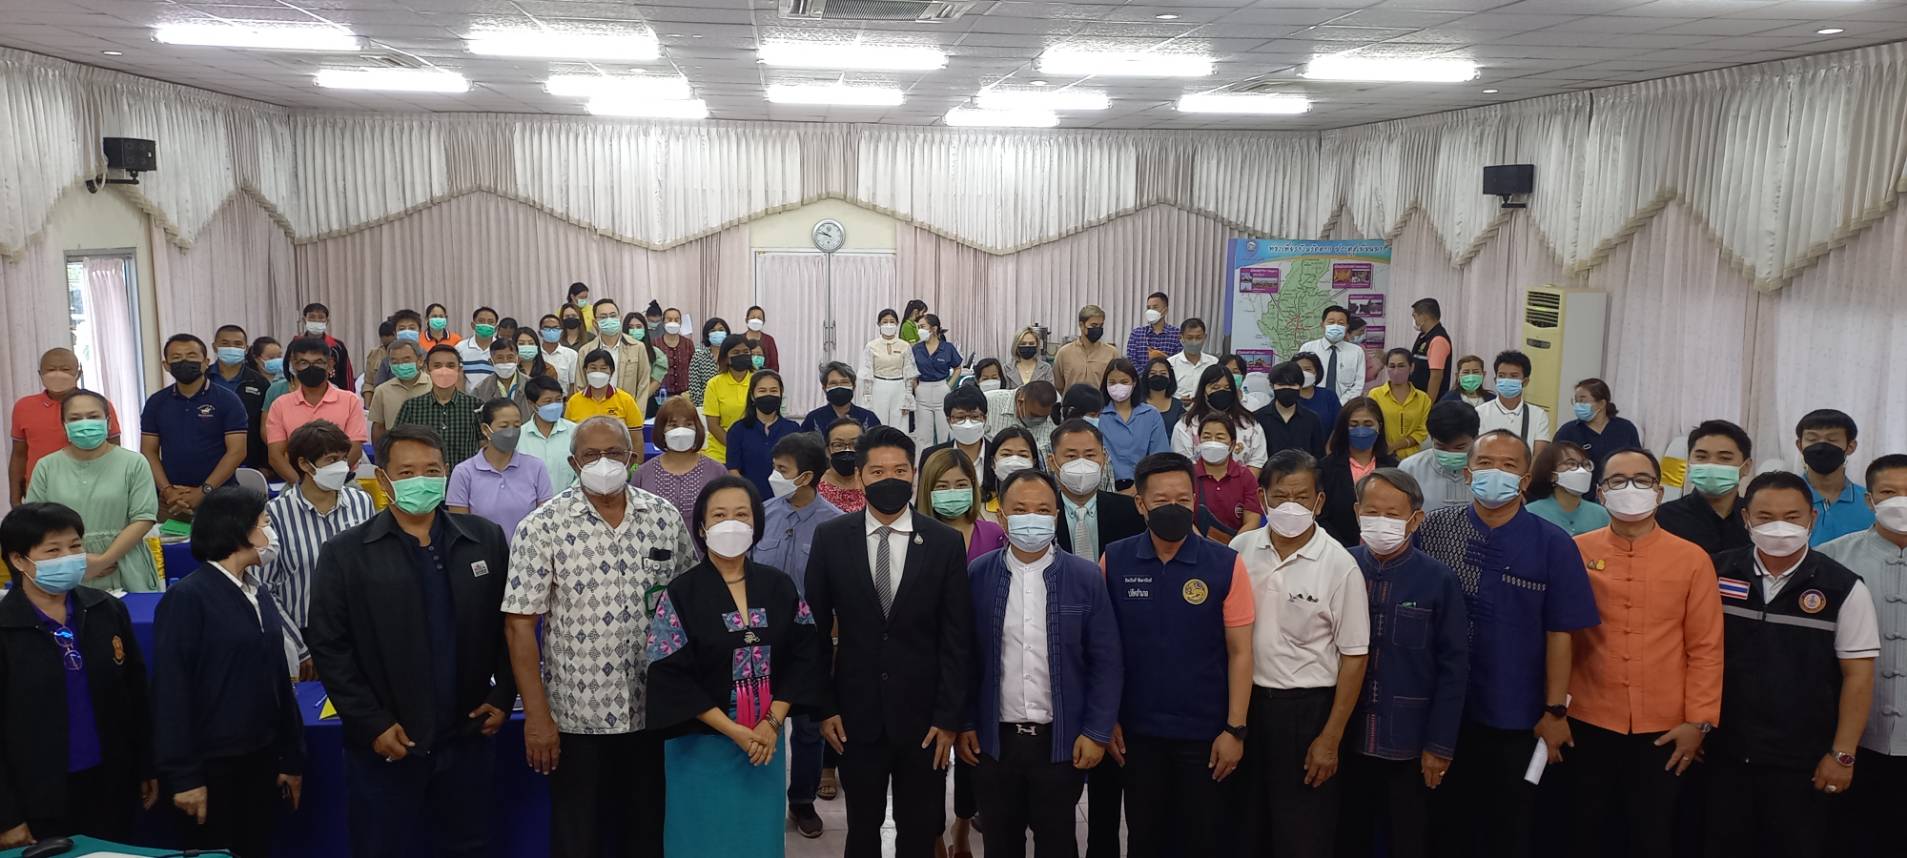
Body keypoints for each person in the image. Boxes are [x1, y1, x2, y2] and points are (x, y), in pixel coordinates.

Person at [308, 424, 516, 858]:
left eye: (432, 470)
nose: (421, 480)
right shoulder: (346, 553)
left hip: (468, 738)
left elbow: (509, 626)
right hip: (389, 743)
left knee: (471, 847)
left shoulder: (484, 539)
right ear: (384, 480)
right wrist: (371, 723)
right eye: (406, 472)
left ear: (447, 472)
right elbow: (330, 646)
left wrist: (503, 695)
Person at [504, 417, 695, 858]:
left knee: (646, 834)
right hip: (576, 717)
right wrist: (537, 717)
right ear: (574, 463)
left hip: (653, 711)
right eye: (591, 455)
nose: (603, 462)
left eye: (614, 453)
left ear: (633, 458)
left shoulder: (663, 517)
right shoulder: (542, 525)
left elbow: (690, 603)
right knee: (579, 838)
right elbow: (519, 625)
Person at [1412, 430, 1600, 858]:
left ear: (1526, 479)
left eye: (1509, 465)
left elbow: (1561, 632)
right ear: (1468, 472)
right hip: (1439, 711)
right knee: (1441, 825)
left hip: (1515, 713)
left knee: (1508, 828)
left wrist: (1555, 710)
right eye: (1485, 463)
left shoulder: (1553, 544)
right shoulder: (1435, 529)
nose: (1495, 472)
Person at [804, 425, 974, 858]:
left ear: (914, 475)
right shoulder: (831, 538)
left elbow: (957, 637)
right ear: (860, 477)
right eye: (878, 472)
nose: (890, 479)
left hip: (925, 721)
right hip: (854, 716)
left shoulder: (944, 542)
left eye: (900, 470)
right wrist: (826, 707)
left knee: (920, 830)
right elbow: (815, 632)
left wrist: (949, 716)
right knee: (862, 829)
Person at [641, 476, 821, 857]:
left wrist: (771, 723)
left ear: (756, 523)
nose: (731, 524)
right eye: (719, 515)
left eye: (741, 515)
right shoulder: (681, 593)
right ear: (702, 527)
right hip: (701, 747)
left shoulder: (780, 586)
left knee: (758, 840)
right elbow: (669, 672)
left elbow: (805, 654)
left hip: (765, 745)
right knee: (702, 841)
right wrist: (734, 731)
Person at [1707, 471, 1878, 858]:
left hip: (1803, 761)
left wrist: (1842, 754)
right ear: (1746, 518)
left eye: (1792, 516)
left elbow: (1858, 676)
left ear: (1811, 519)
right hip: (1722, 752)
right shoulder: (1715, 572)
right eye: (1765, 517)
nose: (1779, 527)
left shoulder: (1843, 587)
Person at [957, 468, 1123, 858]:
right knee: (1000, 843)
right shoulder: (978, 575)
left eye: (1043, 510)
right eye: (1020, 509)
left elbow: (1106, 661)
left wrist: (1097, 731)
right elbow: (964, 658)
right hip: (995, 742)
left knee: (1058, 842)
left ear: (1056, 516)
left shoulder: (1085, 577)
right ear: (1001, 516)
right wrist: (965, 722)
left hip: (1060, 742)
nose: (1031, 518)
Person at [1567, 448, 1724, 858]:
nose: (1630, 489)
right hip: (1587, 718)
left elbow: (1706, 647)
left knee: (1652, 833)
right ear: (1601, 492)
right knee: (1584, 830)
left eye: (1642, 480)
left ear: (1659, 491)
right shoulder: (1575, 550)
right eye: (1617, 480)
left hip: (1665, 728)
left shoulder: (1692, 559)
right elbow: (1557, 637)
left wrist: (1699, 722)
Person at [1101, 452, 1254, 858]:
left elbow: (1241, 652)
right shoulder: (1114, 560)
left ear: (1195, 501)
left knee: (1203, 839)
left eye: (1183, 500)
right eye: (1161, 500)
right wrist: (1107, 718)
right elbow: (1103, 649)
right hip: (1137, 734)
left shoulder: (1226, 564)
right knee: (1145, 837)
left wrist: (1235, 729)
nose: (1174, 508)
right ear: (1140, 504)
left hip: (1206, 734)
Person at [1229, 449, 1371, 858]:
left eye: (1302, 497)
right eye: (1280, 496)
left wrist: (1331, 737)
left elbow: (1355, 656)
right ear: (1262, 498)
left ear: (1319, 501)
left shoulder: (1339, 564)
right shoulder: (1240, 549)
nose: (1290, 506)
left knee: (1303, 833)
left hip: (1307, 713)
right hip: (1247, 708)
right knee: (1246, 827)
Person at [152, 487, 304, 856]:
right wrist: (185, 777)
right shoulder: (188, 598)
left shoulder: (257, 591)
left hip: (261, 757)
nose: (271, 533)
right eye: (264, 523)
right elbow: (172, 691)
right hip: (212, 767)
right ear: (237, 530)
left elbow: (277, 679)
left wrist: (291, 756)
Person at [0, 502, 156, 846]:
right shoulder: (6, 628)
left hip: (110, 783)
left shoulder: (106, 609)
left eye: (75, 546)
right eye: (53, 550)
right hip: (38, 797)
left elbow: (135, 694)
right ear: (19, 560)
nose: (69, 558)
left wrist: (146, 765)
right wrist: (6, 815)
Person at [1338, 469, 1467, 858]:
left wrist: (1439, 745)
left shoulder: (1439, 579)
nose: (1381, 522)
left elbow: (1454, 668)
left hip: (1408, 742)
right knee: (1347, 836)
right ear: (1357, 512)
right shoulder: (1340, 566)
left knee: (1407, 838)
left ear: (1415, 519)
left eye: (1393, 515)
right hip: (1345, 738)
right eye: (1372, 512)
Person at [1818, 454, 1907, 858]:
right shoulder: (1831, 559)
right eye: (1889, 492)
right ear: (1870, 501)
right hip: (1853, 739)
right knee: (1851, 838)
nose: (1900, 501)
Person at [756, 432, 843, 839]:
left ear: (806, 476)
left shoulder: (835, 525)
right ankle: (761, 799)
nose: (774, 476)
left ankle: (803, 800)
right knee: (760, 720)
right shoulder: (762, 514)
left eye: (782, 470)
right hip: (761, 641)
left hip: (810, 644)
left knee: (808, 728)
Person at [916, 446, 1000, 857]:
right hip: (928, 663)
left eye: (961, 484)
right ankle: (932, 834)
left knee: (972, 755)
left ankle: (962, 826)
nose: (953, 493)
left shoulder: (993, 534)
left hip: (983, 662)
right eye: (943, 486)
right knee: (928, 757)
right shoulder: (915, 535)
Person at [262, 420, 375, 679]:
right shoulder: (276, 513)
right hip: (305, 633)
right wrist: (298, 648)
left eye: (343, 458)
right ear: (304, 464)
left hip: (357, 628)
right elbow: (265, 588)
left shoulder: (361, 502)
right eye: (331, 460)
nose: (341, 467)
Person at [25, 391, 160, 592]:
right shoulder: (46, 466)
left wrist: (103, 560)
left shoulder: (134, 463)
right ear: (64, 425)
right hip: (65, 565)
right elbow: (34, 521)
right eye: (75, 418)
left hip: (125, 563)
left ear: (108, 421)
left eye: (93, 416)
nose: (85, 424)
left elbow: (143, 518)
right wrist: (75, 561)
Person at [142, 334, 249, 519]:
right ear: (166, 365)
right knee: (168, 539)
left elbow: (237, 452)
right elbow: (148, 451)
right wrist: (167, 491)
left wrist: (204, 491)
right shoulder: (156, 402)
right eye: (176, 357)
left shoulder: (228, 400)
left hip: (221, 498)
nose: (184, 362)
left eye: (191, 356)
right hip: (172, 501)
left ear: (206, 362)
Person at [9, 348, 121, 505]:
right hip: (40, 494)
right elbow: (19, 455)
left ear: (78, 373)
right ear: (40, 374)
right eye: (51, 369)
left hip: (93, 492)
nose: (57, 374)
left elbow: (114, 451)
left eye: (65, 369)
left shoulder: (98, 405)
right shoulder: (24, 406)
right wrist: (15, 500)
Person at [264, 337, 367, 485]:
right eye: (304, 363)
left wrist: (333, 480)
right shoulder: (280, 405)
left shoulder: (350, 401)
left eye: (318, 362)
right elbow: (275, 456)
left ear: (330, 364)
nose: (311, 368)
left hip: (342, 482)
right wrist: (303, 485)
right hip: (298, 483)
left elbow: (355, 449)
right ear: (294, 365)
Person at [448, 399, 553, 542]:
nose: (511, 432)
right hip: (483, 552)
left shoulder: (536, 467)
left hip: (528, 551)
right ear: (485, 429)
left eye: (516, 426)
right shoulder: (464, 473)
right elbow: (460, 526)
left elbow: (545, 519)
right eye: (504, 426)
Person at [1656, 420, 1755, 557]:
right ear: (1689, 463)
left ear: (1746, 466)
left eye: (1725, 458)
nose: (1711, 464)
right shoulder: (1662, 518)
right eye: (1701, 457)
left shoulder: (1756, 519)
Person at [1050, 420, 1147, 560]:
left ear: (1104, 458)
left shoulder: (1132, 511)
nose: (1082, 463)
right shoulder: (1043, 514)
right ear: (1052, 462)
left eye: (1090, 455)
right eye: (1071, 456)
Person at [634, 396, 730, 528]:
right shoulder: (643, 474)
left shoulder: (717, 472)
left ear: (697, 428)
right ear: (661, 430)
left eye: (688, 424)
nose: (681, 431)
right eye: (673, 425)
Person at [1316, 397, 1396, 548]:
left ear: (1379, 427)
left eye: (1368, 424)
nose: (1361, 430)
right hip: (1338, 550)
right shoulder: (1325, 468)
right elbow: (1321, 517)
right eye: (1353, 425)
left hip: (1384, 549)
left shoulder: (1394, 467)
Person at [394, 345, 484, 469]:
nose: (444, 371)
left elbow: (485, 443)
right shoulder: (411, 407)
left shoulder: (475, 405)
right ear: (427, 369)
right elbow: (397, 444)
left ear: (459, 369)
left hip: (465, 477)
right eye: (437, 366)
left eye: (450, 366)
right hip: (424, 477)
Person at [1794, 409, 1874, 545]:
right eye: (1812, 439)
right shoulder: (1783, 499)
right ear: (1800, 445)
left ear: (1850, 446)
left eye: (1832, 439)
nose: (1821, 446)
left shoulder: (1871, 502)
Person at [1171, 365, 1268, 473]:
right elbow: (1184, 464)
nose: (1222, 392)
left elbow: (1257, 462)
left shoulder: (1249, 423)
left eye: (1227, 388)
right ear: (1204, 391)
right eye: (1215, 388)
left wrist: (1241, 482)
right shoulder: (1186, 424)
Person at [1552, 379, 1642, 492]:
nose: (1578, 405)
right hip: (1579, 494)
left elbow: (1638, 463)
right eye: (1576, 401)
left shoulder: (1626, 428)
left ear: (1602, 404)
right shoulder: (1568, 431)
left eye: (1583, 401)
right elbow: (1552, 463)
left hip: (1618, 492)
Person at [1098, 358, 1171, 488]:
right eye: (1112, 382)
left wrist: (1137, 488)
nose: (1118, 387)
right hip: (1104, 487)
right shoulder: (1098, 416)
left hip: (1142, 486)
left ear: (1134, 383)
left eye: (1124, 382)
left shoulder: (1151, 414)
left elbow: (1159, 457)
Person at [726, 370, 799, 499]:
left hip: (786, 499)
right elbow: (733, 469)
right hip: (750, 499)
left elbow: (800, 466)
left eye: (773, 390)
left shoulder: (793, 429)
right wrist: (748, 495)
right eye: (762, 391)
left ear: (781, 394)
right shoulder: (738, 430)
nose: (768, 395)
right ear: (752, 396)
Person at [210, 324, 273, 473]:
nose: (231, 348)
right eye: (225, 344)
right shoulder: (203, 379)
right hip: (209, 461)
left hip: (251, 464)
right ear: (214, 347)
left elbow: (267, 426)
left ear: (246, 348)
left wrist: (266, 465)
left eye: (237, 344)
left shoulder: (260, 383)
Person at [1397, 400, 1480, 511]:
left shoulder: (1489, 469)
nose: (1451, 453)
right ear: (1431, 439)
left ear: (1476, 439)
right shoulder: (1410, 468)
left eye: (1459, 447)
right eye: (1441, 447)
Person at [1195, 415, 1264, 538]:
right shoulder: (1188, 475)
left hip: (1236, 544)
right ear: (1199, 441)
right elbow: (1183, 517)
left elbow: (1253, 520)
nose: (1212, 442)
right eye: (1206, 437)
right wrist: (1202, 544)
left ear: (1232, 444)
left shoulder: (1245, 477)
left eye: (1219, 437)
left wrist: (1234, 545)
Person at [1525, 441, 1612, 536]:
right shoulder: (1531, 513)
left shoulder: (1602, 515)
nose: (1581, 470)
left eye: (1585, 465)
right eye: (1571, 464)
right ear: (1551, 475)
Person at [592, 300, 666, 407]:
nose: (635, 330)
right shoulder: (612, 348)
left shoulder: (656, 353)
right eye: (631, 327)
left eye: (639, 327)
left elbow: (655, 381)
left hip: (644, 402)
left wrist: (637, 401)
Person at [1474, 350, 1551, 455]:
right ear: (1495, 380)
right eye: (1502, 375)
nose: (1507, 380)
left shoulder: (1538, 415)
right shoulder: (1479, 413)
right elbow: (1476, 452)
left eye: (1514, 376)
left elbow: (1539, 456)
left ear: (1525, 381)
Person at [701, 336, 758, 465]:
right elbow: (713, 425)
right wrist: (736, 446)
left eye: (746, 352)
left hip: (753, 451)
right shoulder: (714, 384)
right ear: (726, 358)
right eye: (736, 352)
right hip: (720, 455)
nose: (742, 355)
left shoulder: (758, 381)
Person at [565, 349, 645, 440]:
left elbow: (636, 438)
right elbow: (568, 436)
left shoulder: (626, 400)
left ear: (611, 372)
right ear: (585, 370)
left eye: (603, 368)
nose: (598, 372)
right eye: (593, 368)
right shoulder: (574, 401)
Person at [367, 339, 432, 450]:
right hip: (395, 450)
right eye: (395, 362)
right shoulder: (382, 391)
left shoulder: (434, 386)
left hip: (429, 448)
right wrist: (379, 454)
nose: (401, 365)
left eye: (406, 360)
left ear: (420, 361)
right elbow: (378, 427)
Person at [912, 313, 964, 449]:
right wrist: (916, 387)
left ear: (934, 328)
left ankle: (944, 460)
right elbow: (911, 371)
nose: (919, 330)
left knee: (944, 433)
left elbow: (958, 368)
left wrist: (949, 386)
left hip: (942, 389)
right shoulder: (916, 349)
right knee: (923, 435)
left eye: (922, 326)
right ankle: (923, 461)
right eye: (918, 327)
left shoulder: (947, 348)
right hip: (922, 390)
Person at [859, 309, 917, 430]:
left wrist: (908, 399)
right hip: (878, 386)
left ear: (897, 324)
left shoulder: (905, 345)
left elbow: (909, 374)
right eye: (885, 322)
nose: (889, 324)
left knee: (900, 425)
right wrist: (867, 398)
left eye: (892, 321)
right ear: (879, 324)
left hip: (899, 387)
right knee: (878, 423)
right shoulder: (871, 346)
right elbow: (867, 374)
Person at [519, 376, 578, 494]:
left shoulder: (576, 432)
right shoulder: (519, 436)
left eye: (558, 400)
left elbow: (582, 472)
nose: (554, 405)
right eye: (548, 401)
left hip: (569, 501)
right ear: (532, 404)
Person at [1256, 360, 1326, 458]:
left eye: (1292, 385)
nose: (1287, 388)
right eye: (1281, 384)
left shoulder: (1312, 419)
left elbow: (1318, 455)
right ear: (1272, 386)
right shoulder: (1258, 418)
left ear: (1300, 387)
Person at [1372, 348, 1433, 458]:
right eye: (1392, 366)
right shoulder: (1375, 395)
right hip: (1382, 456)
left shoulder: (1423, 398)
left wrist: (1395, 446)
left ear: (1411, 367)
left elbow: (1422, 431)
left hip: (1413, 457)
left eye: (1401, 366)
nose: (1396, 371)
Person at [916, 385, 989, 473]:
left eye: (974, 416)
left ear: (984, 419)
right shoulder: (931, 457)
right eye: (960, 417)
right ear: (949, 421)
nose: (967, 424)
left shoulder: (996, 454)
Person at [1298, 305, 1362, 405]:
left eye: (1341, 323)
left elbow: (1358, 385)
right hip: (1311, 406)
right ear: (1322, 324)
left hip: (1344, 407)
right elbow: (1300, 378)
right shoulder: (1308, 348)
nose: (1335, 326)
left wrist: (1339, 405)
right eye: (1331, 322)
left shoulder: (1356, 352)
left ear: (1347, 327)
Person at [801, 362, 883, 434]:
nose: (839, 387)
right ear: (824, 388)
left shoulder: (869, 418)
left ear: (854, 386)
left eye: (844, 382)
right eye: (833, 383)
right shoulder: (813, 419)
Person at [981, 428, 1042, 523]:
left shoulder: (1045, 499)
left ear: (1033, 462)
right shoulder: (979, 503)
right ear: (993, 462)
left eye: (1023, 455)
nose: (1014, 460)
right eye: (1006, 454)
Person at [1055, 304, 1120, 393]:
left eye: (1101, 325)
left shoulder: (1112, 353)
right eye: (1094, 325)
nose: (1098, 329)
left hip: (1100, 401)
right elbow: (1059, 386)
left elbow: (1116, 384)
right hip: (1071, 401)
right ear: (1081, 325)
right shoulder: (1064, 353)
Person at [985, 381, 1058, 458]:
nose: (1038, 420)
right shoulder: (989, 402)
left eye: (1044, 417)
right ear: (1020, 403)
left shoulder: (1056, 416)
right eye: (1034, 415)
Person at [300, 302, 356, 393]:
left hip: (333, 394)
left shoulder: (337, 346)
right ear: (304, 320)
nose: (316, 321)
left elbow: (346, 375)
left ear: (327, 321)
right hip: (303, 393)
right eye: (312, 317)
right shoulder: (296, 344)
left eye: (321, 317)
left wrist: (350, 395)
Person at [819, 419, 869, 514]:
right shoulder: (815, 487)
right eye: (838, 445)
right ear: (827, 451)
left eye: (855, 444)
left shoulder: (872, 484)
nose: (847, 450)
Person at [1407, 298, 1453, 398]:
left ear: (1424, 316)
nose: (1414, 321)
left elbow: (1436, 376)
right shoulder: (1423, 336)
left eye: (1414, 316)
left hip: (1430, 401)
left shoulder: (1438, 340)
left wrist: (1429, 403)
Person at [1165, 318, 1218, 404]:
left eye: (1198, 338)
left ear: (1205, 337)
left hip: (1207, 410)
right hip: (1179, 410)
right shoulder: (1170, 364)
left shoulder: (1214, 363)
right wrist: (1177, 402)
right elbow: (1164, 393)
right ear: (1181, 337)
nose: (1194, 342)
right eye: (1189, 338)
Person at [471, 338, 531, 412]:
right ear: (491, 361)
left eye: (510, 357)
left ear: (518, 360)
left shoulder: (532, 385)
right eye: (500, 358)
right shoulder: (480, 389)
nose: (505, 361)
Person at [1127, 291, 1182, 367]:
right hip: (1141, 374)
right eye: (1148, 308)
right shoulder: (1136, 334)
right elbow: (1131, 361)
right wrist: (1146, 374)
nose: (1151, 311)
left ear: (1165, 311)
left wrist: (1165, 358)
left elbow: (1180, 363)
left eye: (1155, 307)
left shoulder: (1176, 334)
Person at [688, 317, 731, 408]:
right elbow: (694, 390)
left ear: (727, 333)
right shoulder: (698, 357)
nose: (717, 333)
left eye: (721, 330)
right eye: (713, 330)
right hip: (704, 407)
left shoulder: (732, 356)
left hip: (730, 406)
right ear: (707, 335)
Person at [454, 306, 500, 390]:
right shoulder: (460, 348)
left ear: (496, 328)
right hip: (469, 397)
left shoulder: (501, 349)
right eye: (481, 321)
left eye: (490, 322)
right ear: (473, 325)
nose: (486, 325)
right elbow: (458, 378)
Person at [656, 307, 696, 400]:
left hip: (685, 395)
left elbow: (694, 369)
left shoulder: (688, 344)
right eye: (669, 319)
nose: (673, 322)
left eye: (676, 320)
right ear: (663, 322)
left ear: (680, 322)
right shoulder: (655, 344)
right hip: (662, 396)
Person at [536, 314, 581, 391]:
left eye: (555, 328)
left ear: (561, 332)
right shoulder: (535, 354)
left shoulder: (571, 355)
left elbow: (573, 384)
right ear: (540, 332)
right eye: (547, 328)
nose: (551, 331)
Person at [1142, 356, 1185, 431]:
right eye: (1153, 373)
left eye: (1163, 373)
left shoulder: (1178, 406)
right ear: (1146, 377)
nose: (1158, 376)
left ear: (1170, 377)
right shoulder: (1137, 403)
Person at [741, 305, 780, 370]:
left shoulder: (769, 340)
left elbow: (774, 366)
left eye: (759, 318)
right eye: (753, 317)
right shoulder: (739, 340)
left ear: (763, 322)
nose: (756, 320)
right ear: (746, 320)